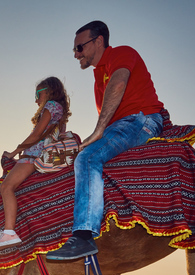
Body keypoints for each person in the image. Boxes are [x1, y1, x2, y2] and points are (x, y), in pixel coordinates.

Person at [47, 20, 164, 260]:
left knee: (88, 158)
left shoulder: (121, 53)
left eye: (79, 47)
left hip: (139, 121)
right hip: (121, 126)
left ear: (98, 41)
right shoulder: (98, 76)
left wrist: (98, 132)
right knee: (79, 156)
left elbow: (119, 83)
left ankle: (83, 236)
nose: (76, 54)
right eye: (74, 49)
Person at [0, 76, 71, 251]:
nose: (36, 99)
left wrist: (14, 153)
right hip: (42, 156)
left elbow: (36, 134)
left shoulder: (50, 106)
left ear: (48, 91)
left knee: (6, 187)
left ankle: (9, 232)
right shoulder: (60, 110)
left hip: (32, 155)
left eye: (38, 94)